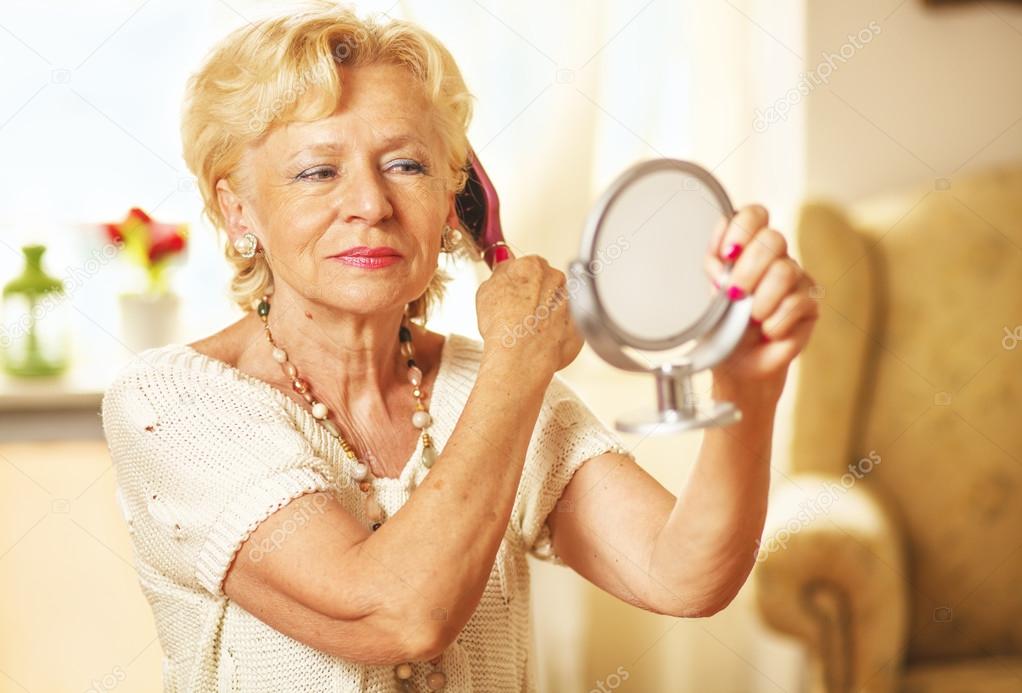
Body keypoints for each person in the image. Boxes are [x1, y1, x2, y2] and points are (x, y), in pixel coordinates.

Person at [100, 3, 818, 691]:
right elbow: (396, 613)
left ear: (451, 200)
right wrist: (516, 364)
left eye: (405, 165)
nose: (372, 205)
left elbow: (680, 573)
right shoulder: (171, 402)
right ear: (237, 210)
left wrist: (748, 390)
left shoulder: (492, 382)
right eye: (319, 171)